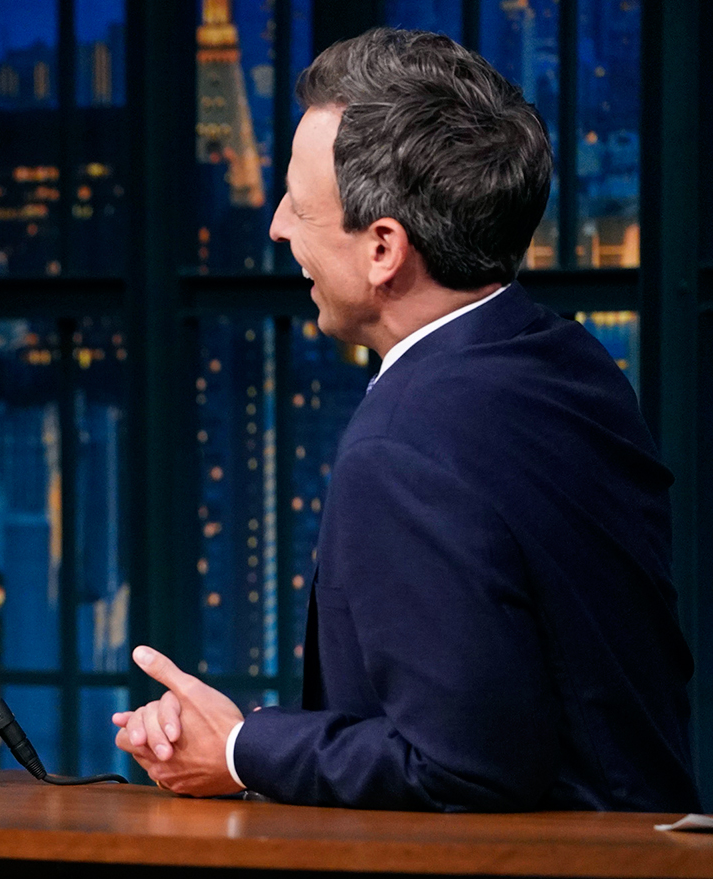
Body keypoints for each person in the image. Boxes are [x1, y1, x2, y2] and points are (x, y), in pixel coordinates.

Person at [114, 28, 696, 813]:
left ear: (384, 247)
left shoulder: (405, 447)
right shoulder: (570, 364)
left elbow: (460, 767)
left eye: (298, 203)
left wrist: (237, 748)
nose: (279, 225)